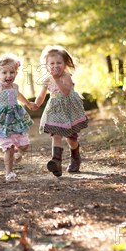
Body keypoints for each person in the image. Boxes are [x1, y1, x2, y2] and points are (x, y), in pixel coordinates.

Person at [0, 53, 36, 182]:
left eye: (12, 72)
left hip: (15, 119)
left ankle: (18, 153)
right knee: (8, 148)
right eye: (4, 73)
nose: (8, 75)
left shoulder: (15, 86)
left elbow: (18, 95)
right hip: (1, 122)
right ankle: (9, 173)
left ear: (16, 73)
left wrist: (28, 103)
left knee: (24, 146)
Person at [34, 45, 88, 176]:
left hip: (69, 110)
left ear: (64, 64)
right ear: (47, 65)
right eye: (52, 63)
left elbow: (65, 92)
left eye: (59, 63)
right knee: (56, 134)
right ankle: (56, 162)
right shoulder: (47, 79)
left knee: (71, 138)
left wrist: (57, 79)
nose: (55, 65)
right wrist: (35, 104)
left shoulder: (66, 76)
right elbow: (41, 96)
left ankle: (75, 157)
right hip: (55, 110)